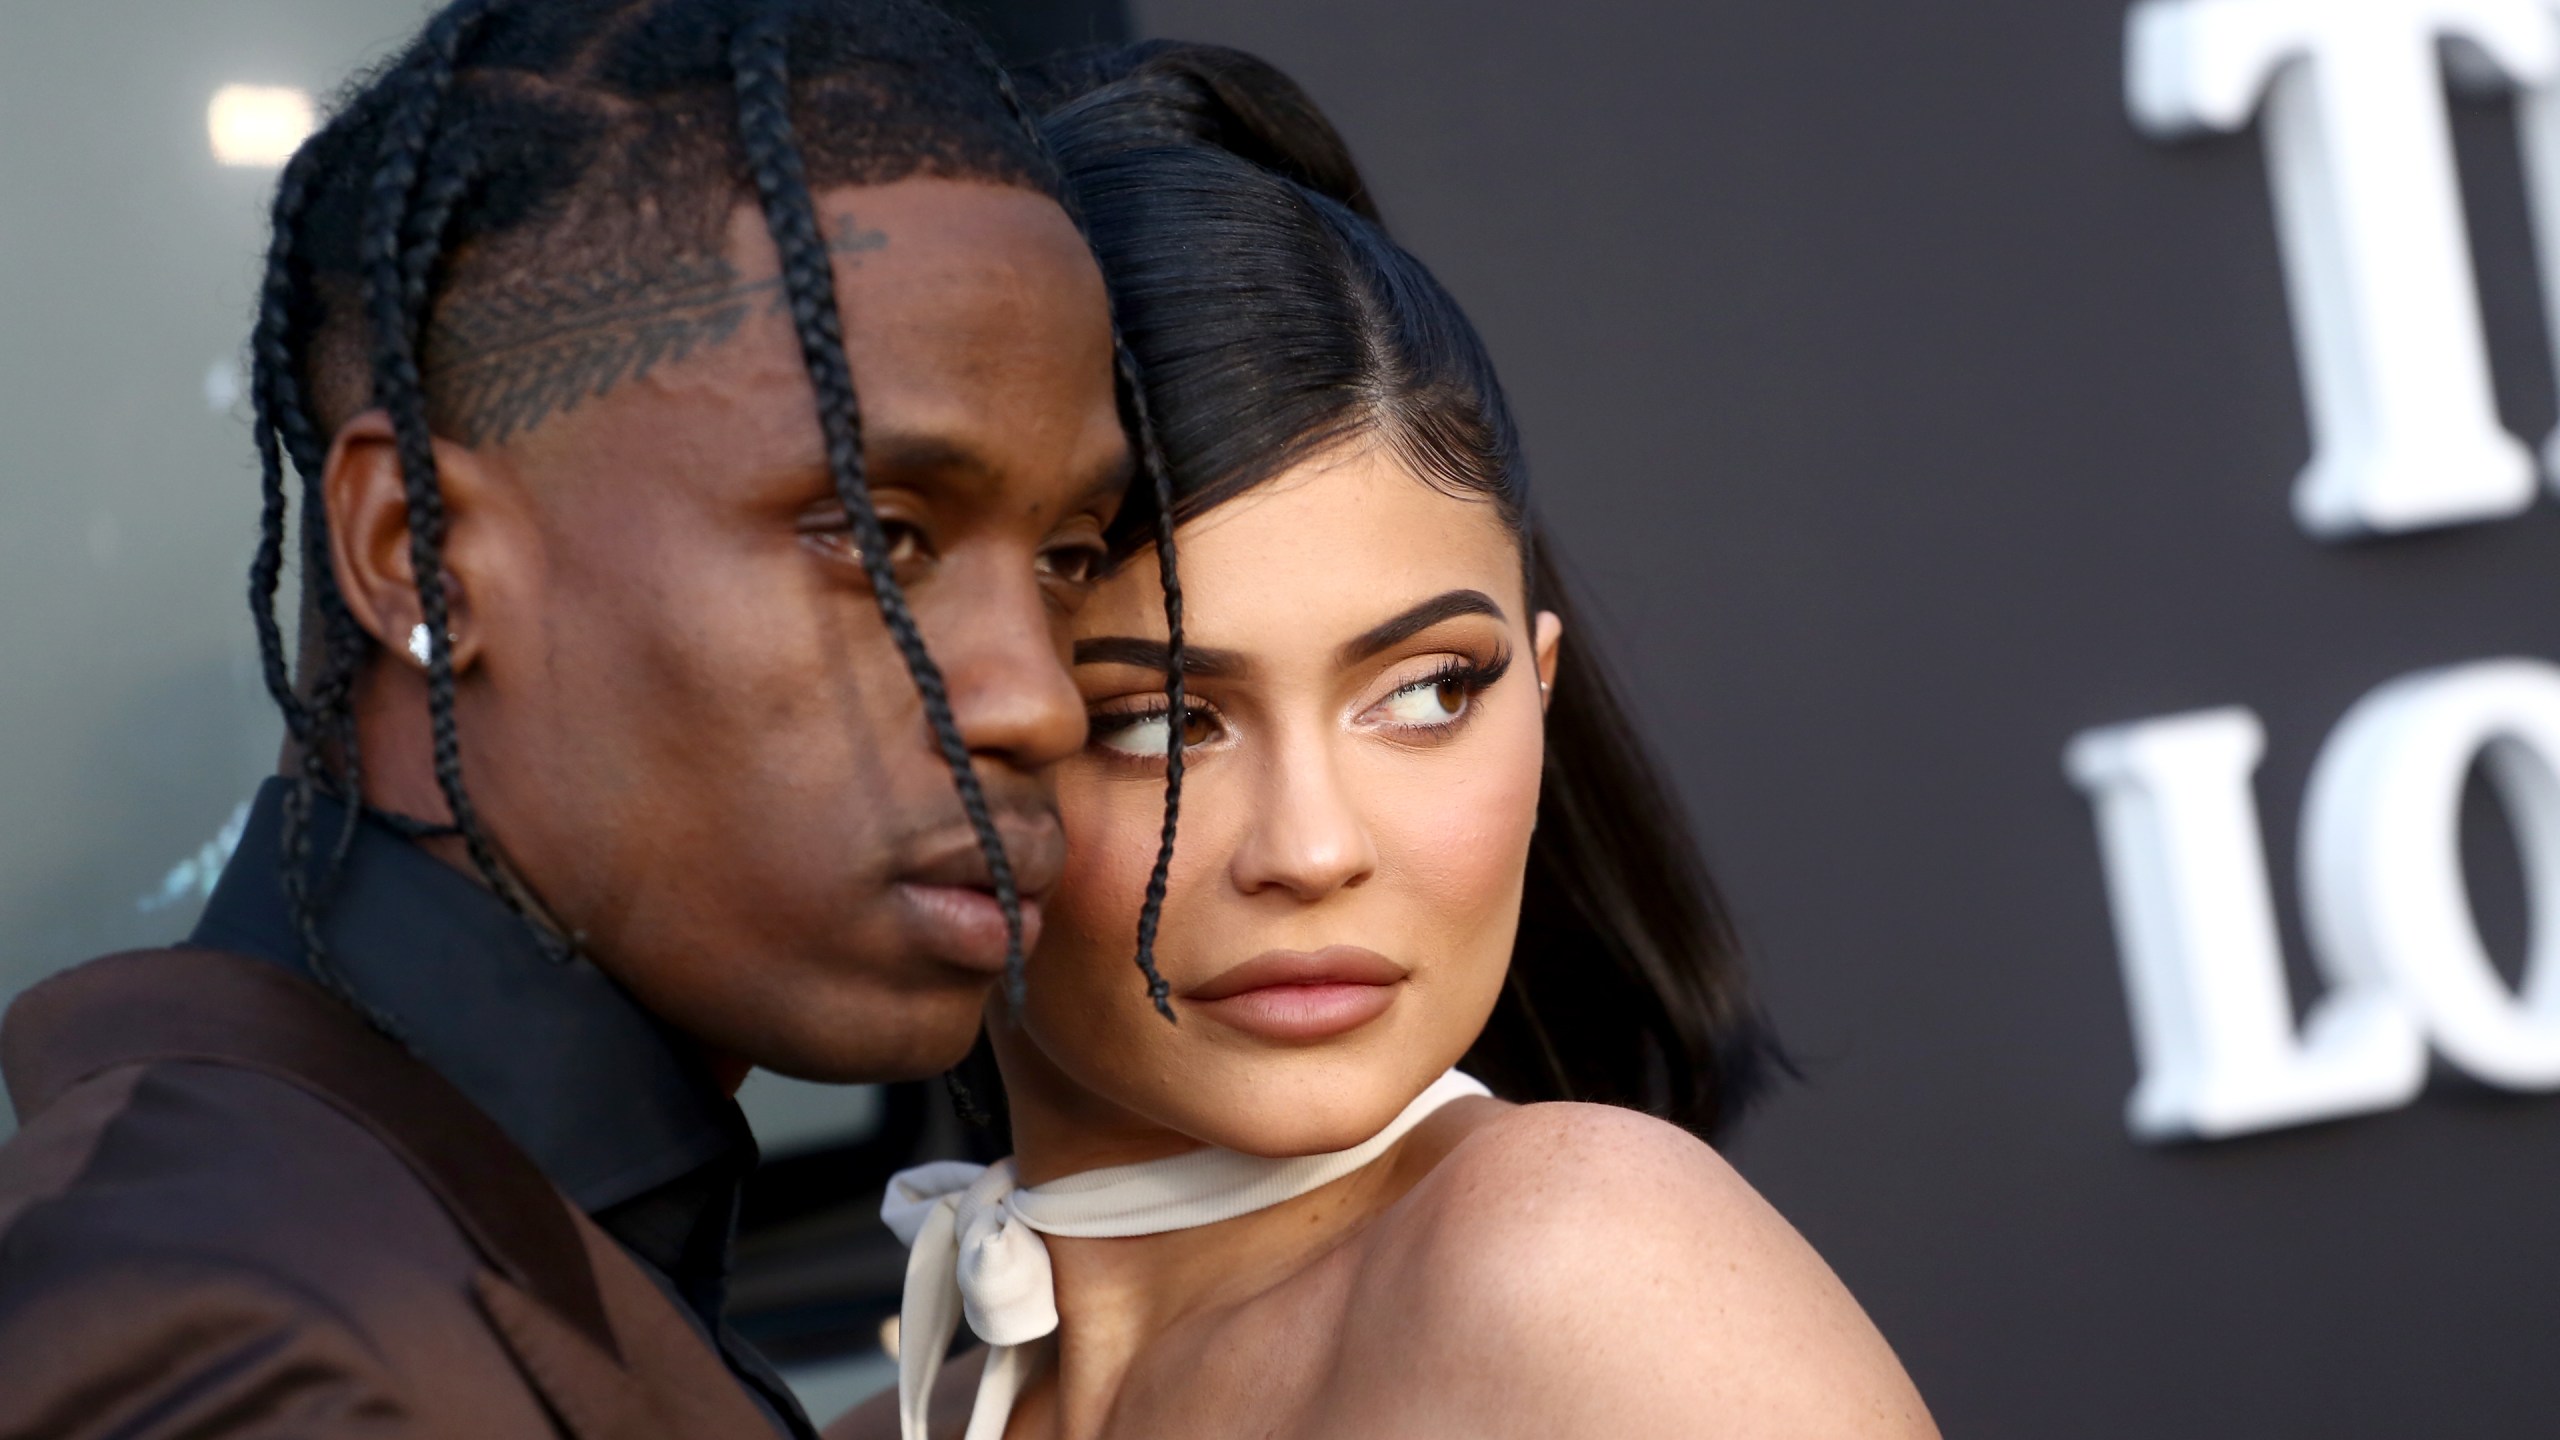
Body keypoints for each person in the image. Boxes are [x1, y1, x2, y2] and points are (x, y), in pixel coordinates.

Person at [0, 2, 1189, 1436]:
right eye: (877, 538)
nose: (1039, 699)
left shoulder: (455, 1230)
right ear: (418, 553)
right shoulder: (231, 1336)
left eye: (1066, 557)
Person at [843, 44, 1939, 1440]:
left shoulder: (1576, 1268)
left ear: (1537, 694)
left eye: (1426, 692)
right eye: (1158, 722)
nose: (1312, 848)